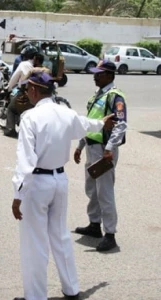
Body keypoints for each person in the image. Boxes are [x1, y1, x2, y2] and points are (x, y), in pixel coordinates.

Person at [11, 71, 116, 300]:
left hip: (37, 184)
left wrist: (18, 194)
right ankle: (72, 290)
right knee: (60, 237)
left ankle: (35, 297)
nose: (27, 92)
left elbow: (26, 161)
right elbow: (86, 125)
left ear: (34, 90)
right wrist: (102, 123)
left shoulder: (30, 117)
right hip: (60, 180)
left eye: (28, 88)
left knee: (35, 243)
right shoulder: (65, 112)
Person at [73, 59, 127, 252]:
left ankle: (110, 234)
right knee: (92, 189)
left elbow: (121, 124)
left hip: (104, 149)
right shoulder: (98, 95)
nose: (95, 76)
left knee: (104, 192)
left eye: (99, 73)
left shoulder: (115, 96)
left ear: (110, 76)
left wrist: (110, 148)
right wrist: (80, 144)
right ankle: (94, 224)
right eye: (95, 73)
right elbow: (90, 121)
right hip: (91, 146)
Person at [4, 45, 39, 137]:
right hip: (39, 95)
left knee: (11, 108)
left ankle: (10, 130)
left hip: (26, 94)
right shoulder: (38, 66)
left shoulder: (23, 64)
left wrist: (9, 87)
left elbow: (14, 79)